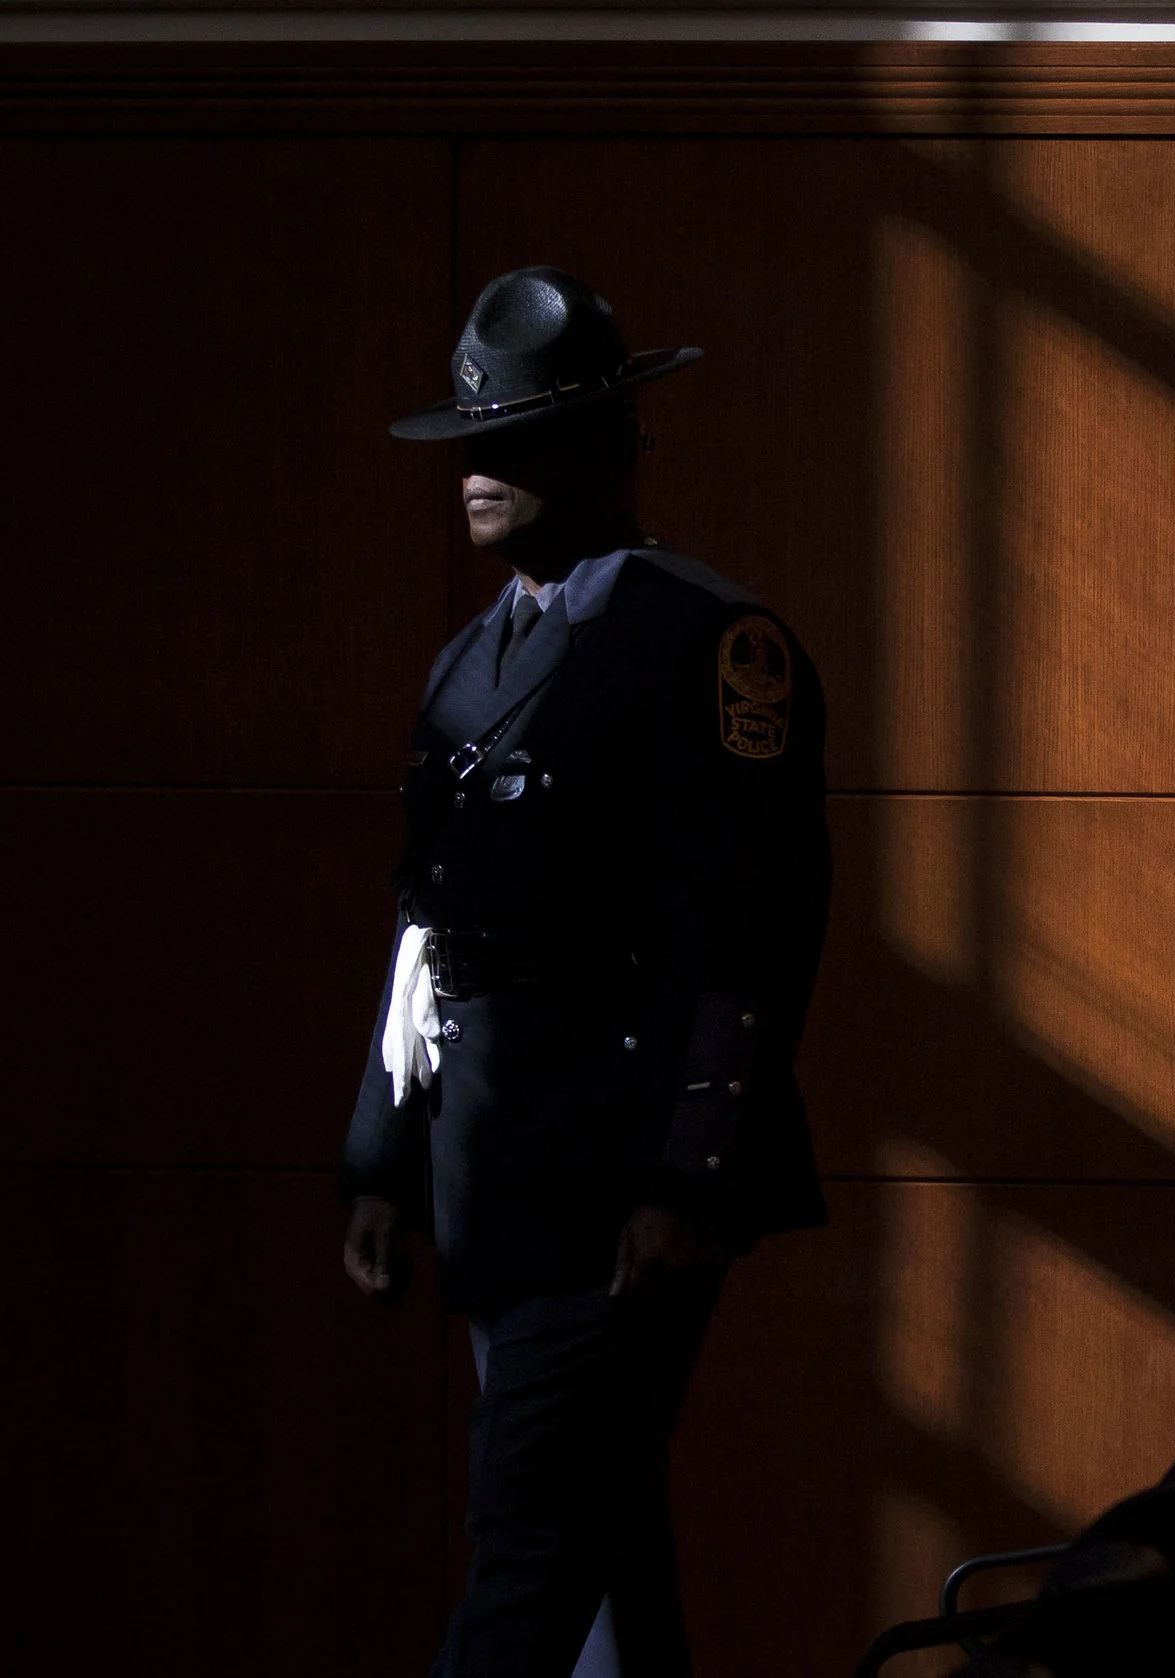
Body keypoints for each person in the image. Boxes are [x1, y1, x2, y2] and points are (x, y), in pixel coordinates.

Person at [338, 266, 831, 1678]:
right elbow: (425, 934)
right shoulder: (469, 661)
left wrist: (688, 1177)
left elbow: (754, 931)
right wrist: (381, 1159)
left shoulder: (703, 643)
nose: (478, 471)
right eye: (468, 443)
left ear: (611, 445)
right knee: (603, 1566)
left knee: (529, 1565)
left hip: (620, 1185)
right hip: (496, 1173)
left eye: (517, 438)